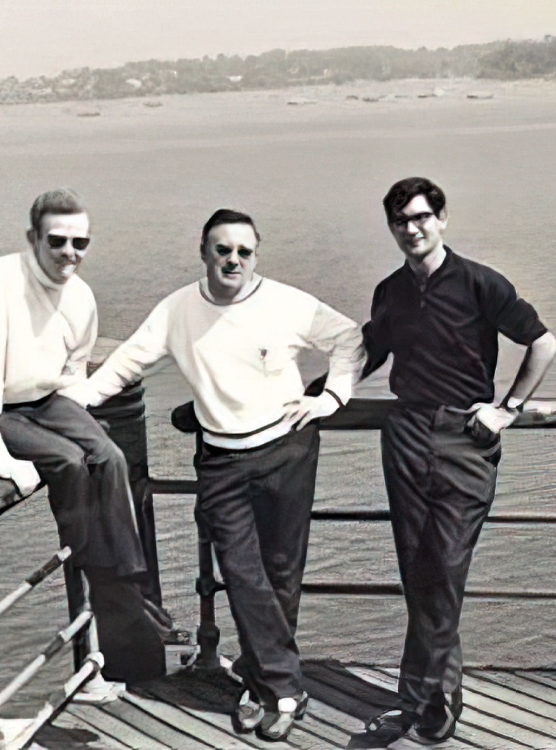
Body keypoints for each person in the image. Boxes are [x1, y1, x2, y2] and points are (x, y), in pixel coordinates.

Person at [62, 208, 364, 742]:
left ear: (255, 256)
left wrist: (331, 397)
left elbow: (349, 340)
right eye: (222, 250)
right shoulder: (178, 309)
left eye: (244, 251)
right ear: (204, 253)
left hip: (288, 451)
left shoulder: (286, 302)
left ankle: (260, 681)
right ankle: (286, 688)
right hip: (222, 462)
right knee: (243, 575)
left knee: (280, 573)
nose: (233, 260)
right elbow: (126, 364)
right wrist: (66, 404)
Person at [354, 178, 556, 746]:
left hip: (466, 439)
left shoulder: (479, 283)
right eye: (400, 222)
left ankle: (420, 695)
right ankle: (440, 695)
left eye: (421, 218)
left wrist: (507, 409)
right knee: (419, 571)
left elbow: (542, 343)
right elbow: (371, 352)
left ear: (441, 219)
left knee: (444, 566)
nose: (411, 229)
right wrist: (318, 395)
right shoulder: (390, 291)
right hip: (406, 434)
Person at [0, 188, 166, 690]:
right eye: (58, 241)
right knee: (66, 461)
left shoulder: (80, 297)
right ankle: (98, 571)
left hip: (43, 400)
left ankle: (128, 578)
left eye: (80, 243)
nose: (70, 253)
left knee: (107, 455)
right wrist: (4, 462)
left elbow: (70, 370)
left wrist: (76, 414)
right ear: (33, 238)